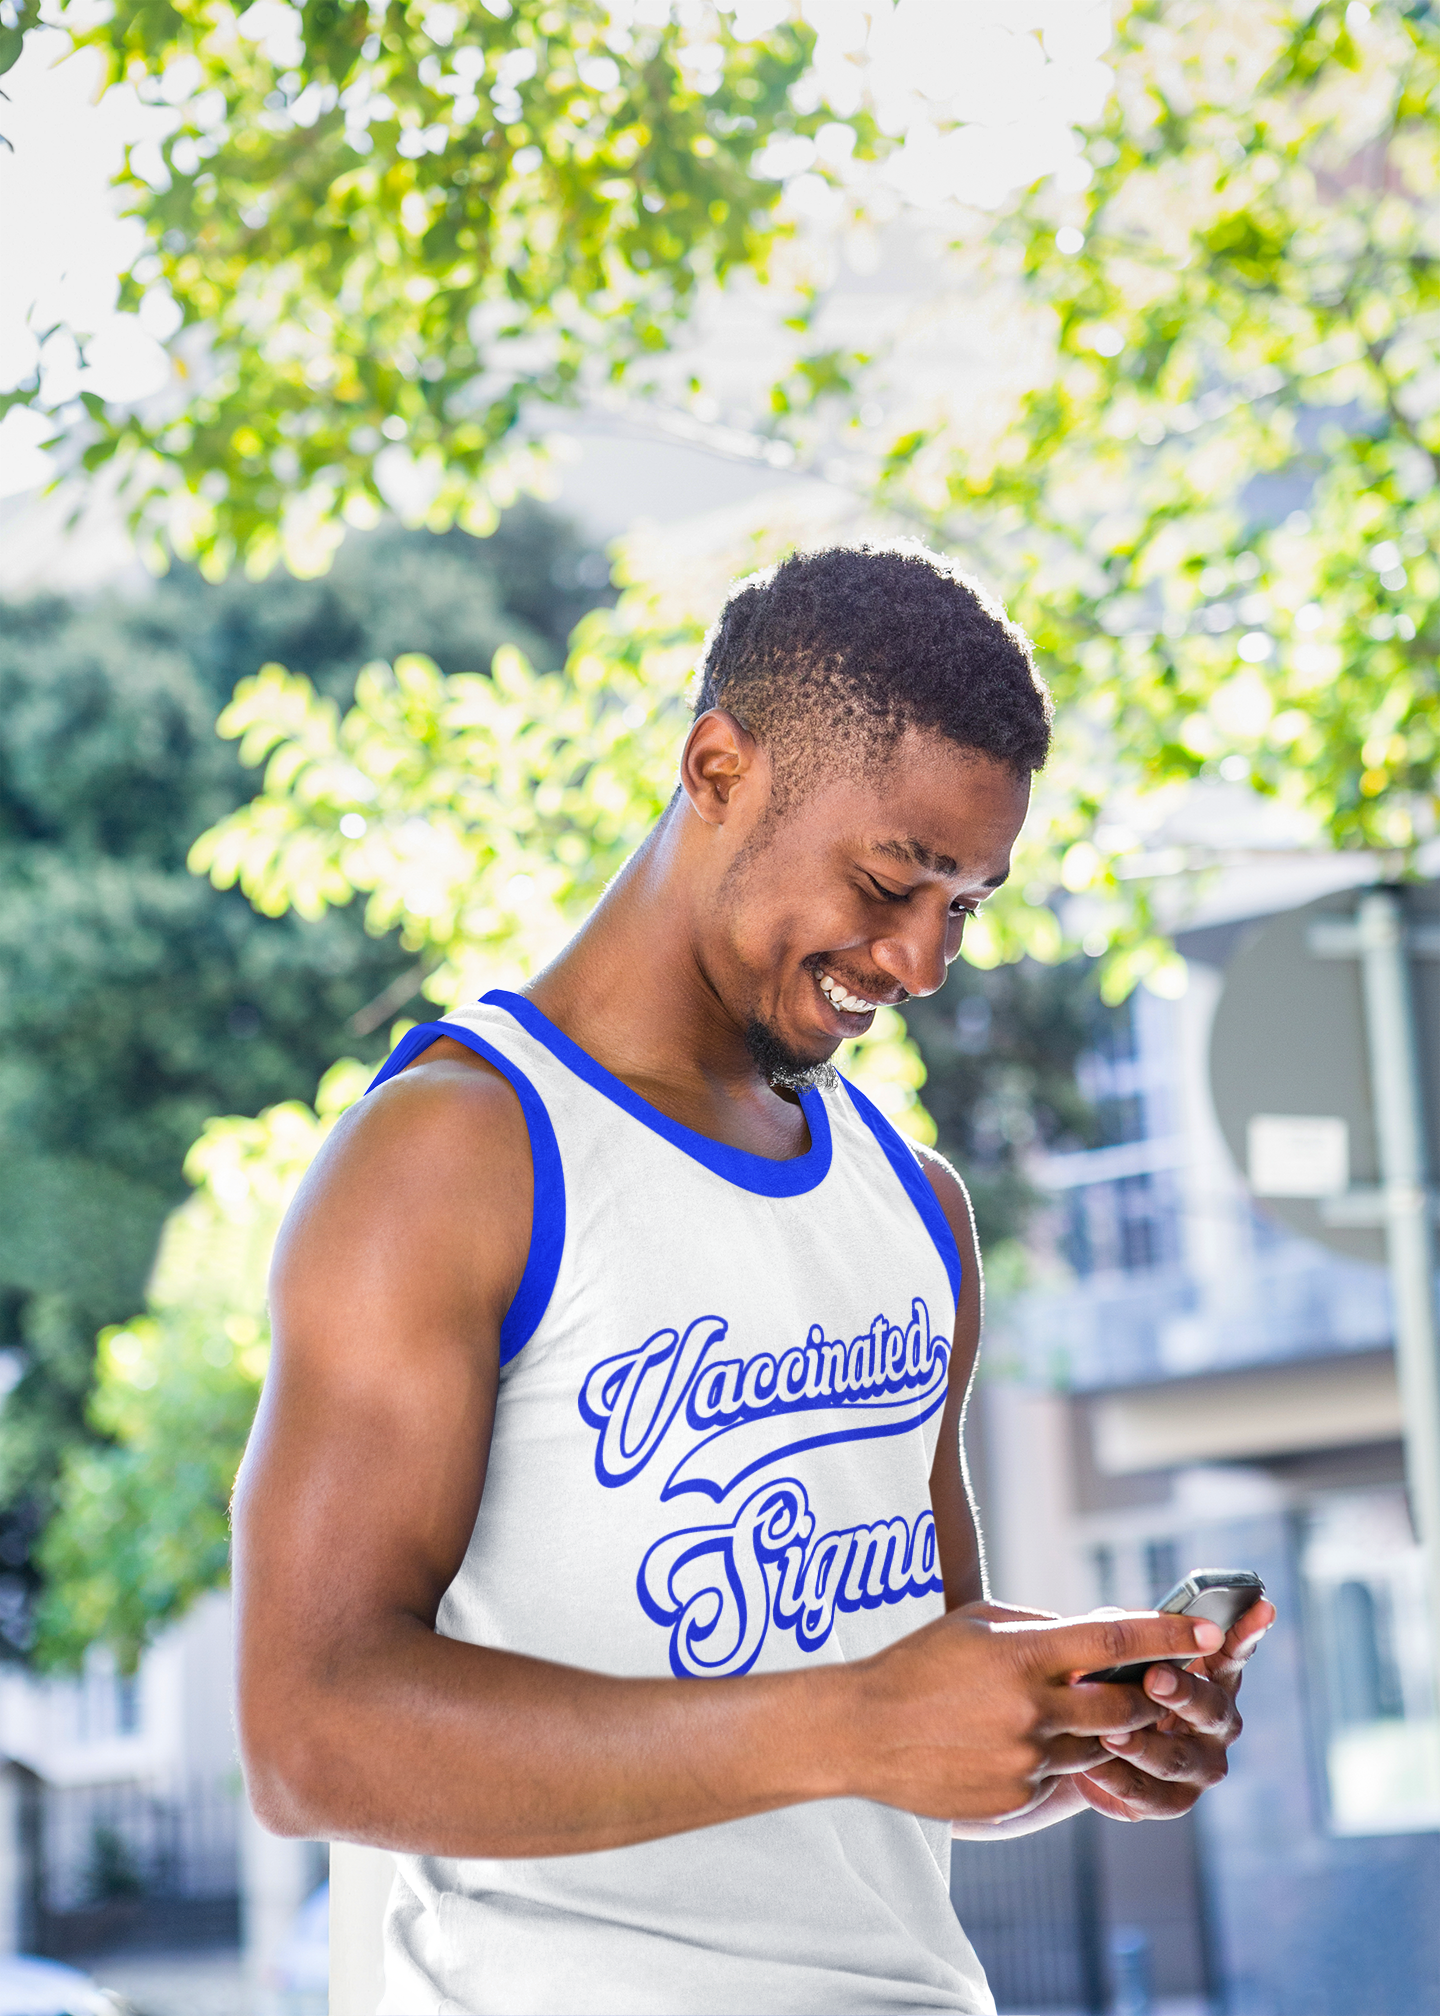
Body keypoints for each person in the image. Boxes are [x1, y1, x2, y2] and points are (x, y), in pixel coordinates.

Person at [234, 544, 1273, 2015]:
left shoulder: (916, 1208)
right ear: (717, 766)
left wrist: (1082, 1740)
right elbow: (307, 1737)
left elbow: (904, 1729)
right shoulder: (455, 1160)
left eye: (965, 906)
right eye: (891, 880)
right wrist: (849, 1726)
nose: (921, 962)